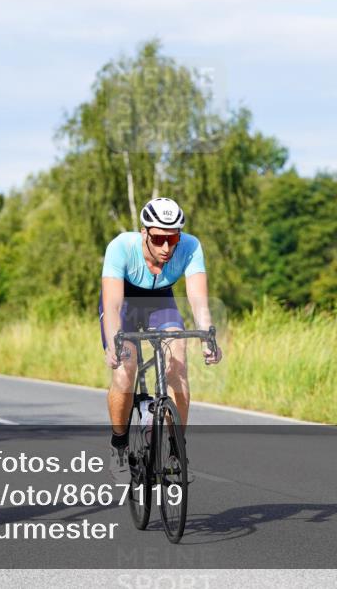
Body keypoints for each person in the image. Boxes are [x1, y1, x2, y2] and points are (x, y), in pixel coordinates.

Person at [100, 197, 222, 481]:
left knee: (178, 367)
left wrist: (207, 335)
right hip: (125, 303)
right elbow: (113, 305)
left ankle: (176, 449)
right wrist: (112, 343)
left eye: (173, 238)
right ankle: (118, 444)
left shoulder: (190, 246)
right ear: (144, 233)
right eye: (158, 238)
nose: (167, 247)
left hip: (161, 302)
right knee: (124, 371)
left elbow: (198, 299)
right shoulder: (121, 247)